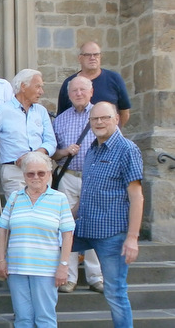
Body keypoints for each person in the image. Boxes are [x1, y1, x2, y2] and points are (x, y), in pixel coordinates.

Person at [72, 102, 144, 328]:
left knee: (115, 292)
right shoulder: (92, 149)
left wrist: (132, 238)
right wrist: (61, 218)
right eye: (95, 119)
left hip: (112, 234)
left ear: (116, 119)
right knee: (46, 259)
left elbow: (137, 197)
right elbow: (86, 194)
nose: (99, 122)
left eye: (105, 118)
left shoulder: (127, 149)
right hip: (84, 227)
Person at [0, 152, 75, 328]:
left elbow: (68, 234)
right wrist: (1, 260)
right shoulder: (15, 198)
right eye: (30, 173)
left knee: (45, 319)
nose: (36, 177)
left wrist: (63, 265)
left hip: (46, 270)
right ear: (24, 175)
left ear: (49, 174)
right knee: (22, 319)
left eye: (41, 173)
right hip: (17, 268)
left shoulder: (59, 199)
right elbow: (3, 231)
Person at [0, 69, 57, 198]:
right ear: (23, 86)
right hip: (15, 173)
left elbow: (51, 142)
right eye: (38, 86)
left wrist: (32, 155)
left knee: (41, 213)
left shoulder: (41, 111)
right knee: (19, 214)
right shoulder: (4, 111)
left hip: (41, 172)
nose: (41, 91)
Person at [51, 76, 104, 294]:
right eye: (74, 91)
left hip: (94, 177)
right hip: (68, 176)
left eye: (83, 90)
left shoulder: (101, 115)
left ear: (91, 92)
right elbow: (52, 152)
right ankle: (69, 277)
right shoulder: (60, 120)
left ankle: (96, 276)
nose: (79, 94)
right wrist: (64, 152)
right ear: (69, 95)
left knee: (94, 224)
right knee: (67, 225)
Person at [57, 41, 131, 127]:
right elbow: (61, 115)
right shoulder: (70, 83)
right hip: (77, 138)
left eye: (96, 54)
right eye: (88, 55)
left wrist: (111, 133)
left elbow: (124, 113)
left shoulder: (114, 79)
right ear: (80, 58)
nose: (92, 58)